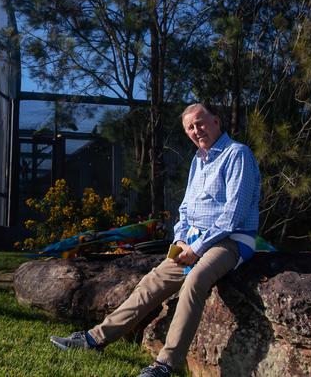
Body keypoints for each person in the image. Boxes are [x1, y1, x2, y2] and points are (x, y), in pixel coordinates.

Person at [49, 103, 260, 377]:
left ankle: (164, 366)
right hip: (192, 243)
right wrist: (182, 240)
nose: (197, 130)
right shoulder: (199, 160)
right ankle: (93, 340)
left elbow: (233, 215)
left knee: (196, 280)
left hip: (230, 240)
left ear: (217, 122)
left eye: (201, 123)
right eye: (190, 127)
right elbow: (185, 209)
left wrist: (195, 249)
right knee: (151, 281)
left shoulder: (237, 155)